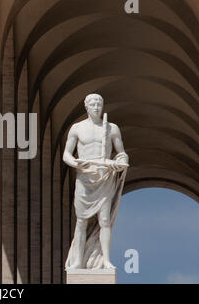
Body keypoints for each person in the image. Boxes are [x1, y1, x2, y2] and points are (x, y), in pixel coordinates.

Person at [63, 93, 129, 269]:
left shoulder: (111, 128)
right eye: (92, 104)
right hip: (85, 178)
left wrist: (119, 163)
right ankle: (78, 260)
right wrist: (75, 162)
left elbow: (121, 152)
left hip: (104, 177)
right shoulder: (77, 128)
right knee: (81, 221)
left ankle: (106, 259)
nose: (96, 107)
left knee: (104, 220)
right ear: (86, 107)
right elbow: (66, 154)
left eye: (99, 104)